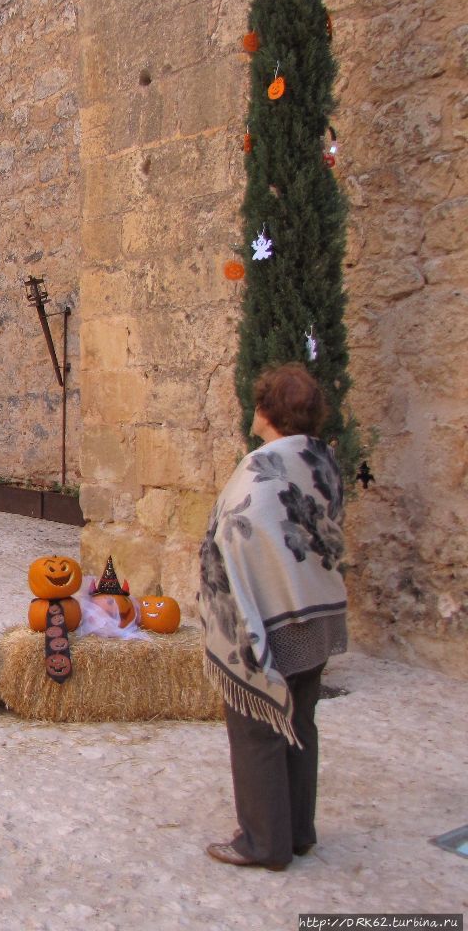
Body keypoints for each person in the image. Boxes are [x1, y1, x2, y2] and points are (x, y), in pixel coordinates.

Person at [199, 363, 349, 871]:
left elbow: (237, 532)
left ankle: (264, 842)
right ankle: (298, 830)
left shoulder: (262, 468)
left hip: (271, 617)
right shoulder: (321, 460)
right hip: (316, 608)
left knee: (257, 725)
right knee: (300, 720)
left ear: (265, 410)